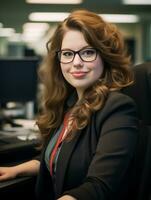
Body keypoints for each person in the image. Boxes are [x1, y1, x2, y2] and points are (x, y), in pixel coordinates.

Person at [0, 9, 138, 200]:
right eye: (67, 54)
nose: (76, 62)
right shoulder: (69, 104)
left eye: (88, 52)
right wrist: (16, 170)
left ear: (105, 57)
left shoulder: (118, 108)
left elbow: (99, 186)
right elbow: (58, 157)